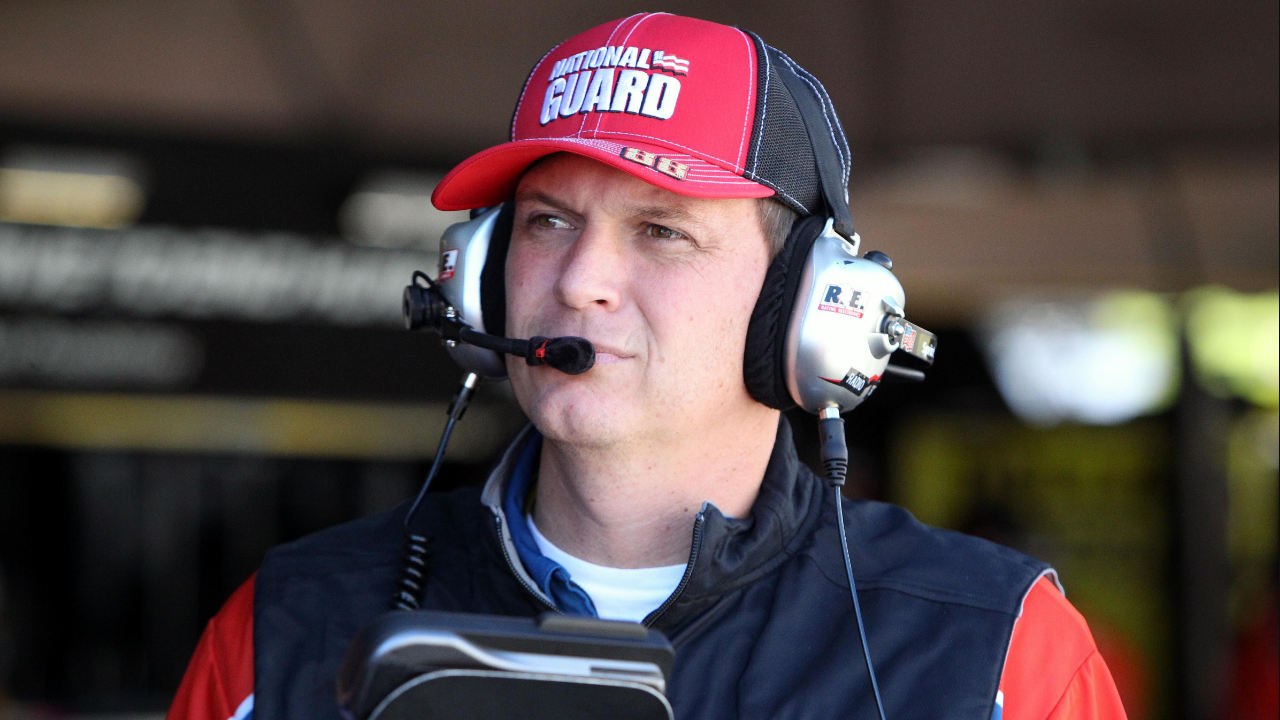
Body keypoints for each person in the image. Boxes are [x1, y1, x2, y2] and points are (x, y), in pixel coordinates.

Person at [168, 14, 1127, 720]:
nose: (581, 280)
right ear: (481, 275)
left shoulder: (999, 651)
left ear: (810, 306)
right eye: (549, 221)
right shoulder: (284, 622)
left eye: (662, 232)